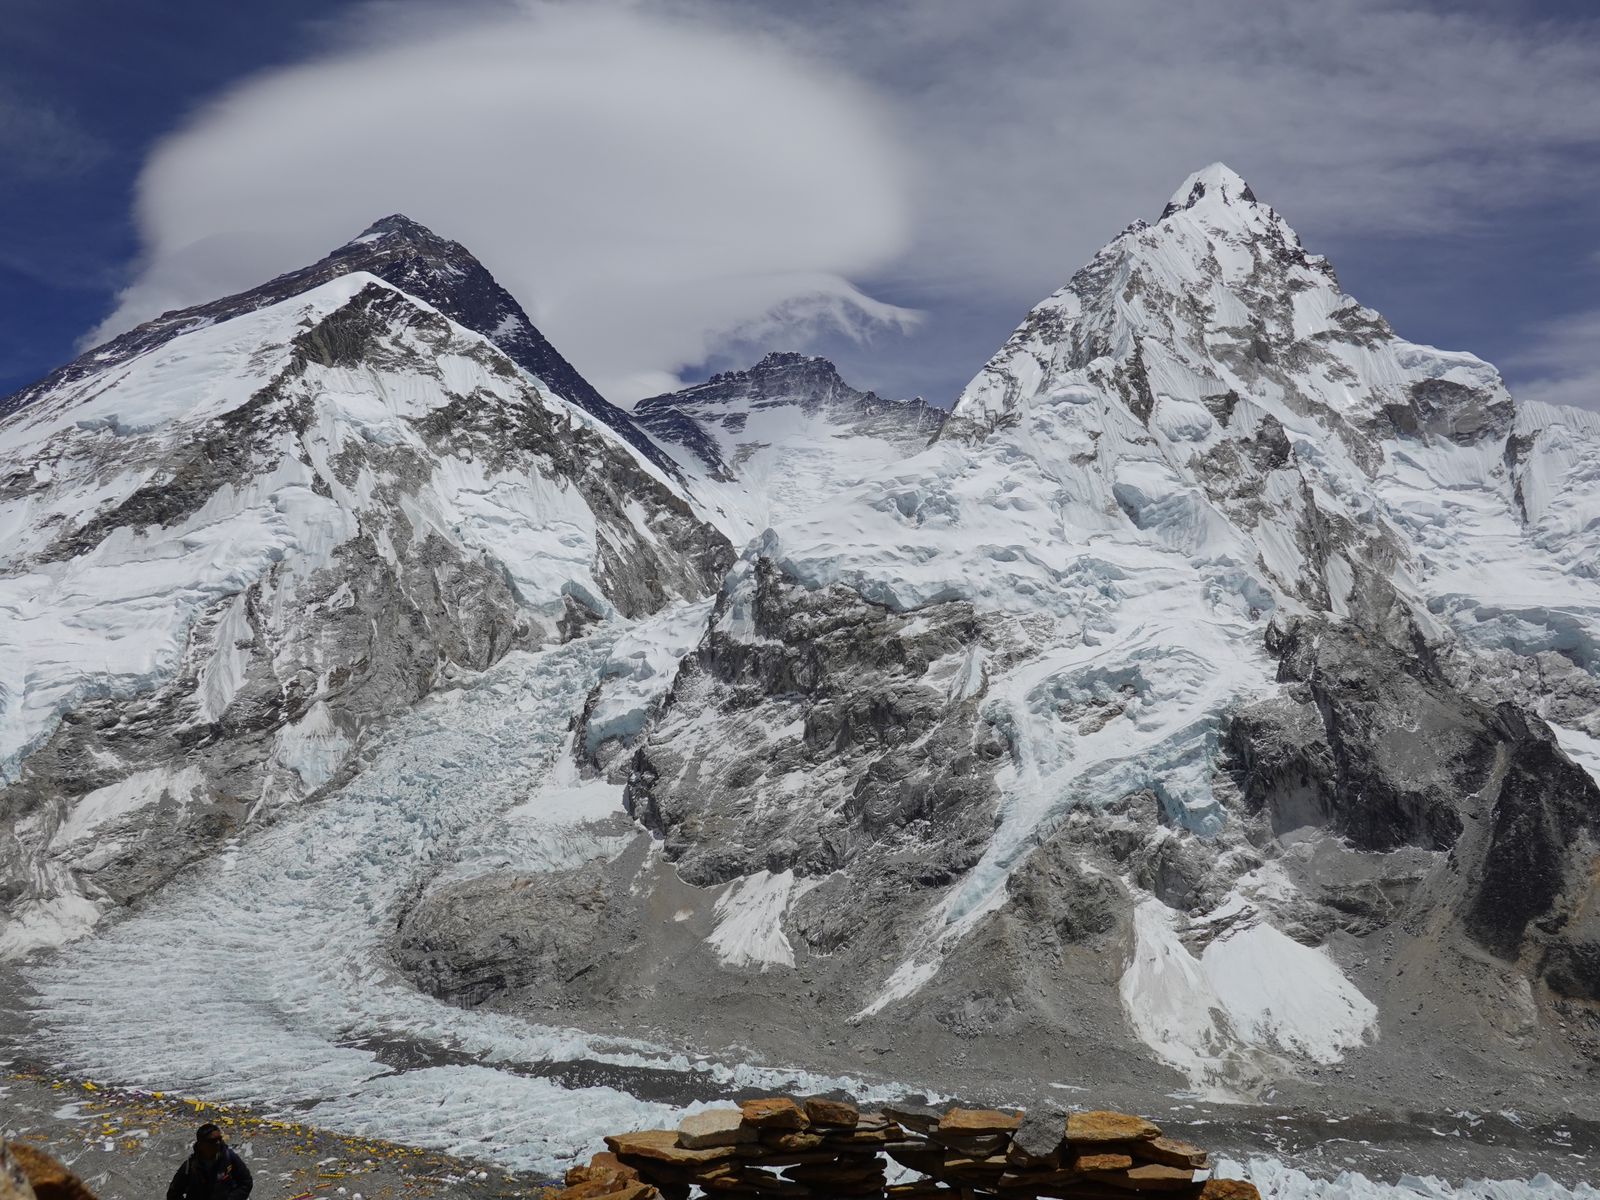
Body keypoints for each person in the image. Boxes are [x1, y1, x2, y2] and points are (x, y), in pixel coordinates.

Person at [166, 1123, 252, 1200]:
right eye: (213, 1141)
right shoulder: (190, 1167)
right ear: (201, 1144)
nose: (218, 1143)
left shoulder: (228, 1158)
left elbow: (246, 1182)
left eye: (220, 1139)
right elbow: (173, 1194)